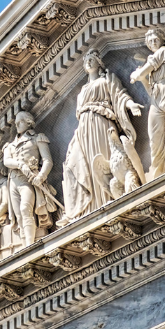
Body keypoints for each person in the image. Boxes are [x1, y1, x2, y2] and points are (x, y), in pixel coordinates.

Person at [64, 49, 145, 220]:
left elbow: (120, 94)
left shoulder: (107, 79)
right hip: (85, 128)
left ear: (98, 62)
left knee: (105, 156)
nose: (88, 61)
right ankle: (95, 204)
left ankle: (109, 197)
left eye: (92, 58)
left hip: (102, 123)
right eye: (86, 60)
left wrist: (131, 105)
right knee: (85, 163)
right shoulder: (83, 89)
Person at [131, 28, 165, 177]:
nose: (152, 42)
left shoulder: (164, 52)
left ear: (163, 40)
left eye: (155, 39)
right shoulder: (153, 65)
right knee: (154, 134)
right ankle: (157, 170)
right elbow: (150, 90)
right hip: (156, 96)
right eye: (149, 42)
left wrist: (138, 74)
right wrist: (142, 78)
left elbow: (146, 68)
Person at [1, 111, 61, 244]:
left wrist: (41, 176)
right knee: (18, 215)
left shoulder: (37, 138)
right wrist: (20, 164)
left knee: (25, 208)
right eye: (15, 122)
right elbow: (7, 161)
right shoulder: (10, 146)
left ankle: (29, 244)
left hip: (28, 181)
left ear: (29, 122)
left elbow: (47, 161)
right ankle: (25, 244)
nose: (16, 125)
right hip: (14, 181)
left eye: (20, 121)